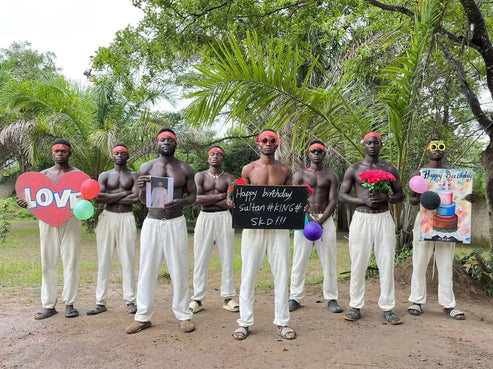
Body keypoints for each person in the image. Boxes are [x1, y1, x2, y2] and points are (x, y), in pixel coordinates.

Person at [126, 128, 196, 334]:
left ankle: (183, 314)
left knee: (179, 269)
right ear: (157, 144)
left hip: (175, 222)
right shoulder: (146, 167)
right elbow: (142, 200)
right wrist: (140, 189)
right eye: (162, 139)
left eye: (170, 140)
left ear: (176, 144)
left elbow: (193, 197)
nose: (166, 142)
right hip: (153, 222)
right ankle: (143, 317)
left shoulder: (185, 168)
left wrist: (181, 202)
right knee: (147, 269)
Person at [232, 129, 296, 340]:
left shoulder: (285, 170)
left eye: (272, 140)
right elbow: (240, 196)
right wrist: (232, 201)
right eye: (264, 140)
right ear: (258, 143)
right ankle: (244, 322)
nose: (268, 143)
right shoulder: (248, 169)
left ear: (277, 144)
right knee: (248, 274)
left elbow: (290, 199)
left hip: (278, 229)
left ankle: (282, 323)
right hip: (253, 228)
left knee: (281, 274)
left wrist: (299, 206)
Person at [339, 132, 404, 324]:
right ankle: (355, 306)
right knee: (358, 263)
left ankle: (388, 307)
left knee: (386, 262)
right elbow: (343, 195)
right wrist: (363, 200)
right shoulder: (354, 169)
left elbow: (400, 195)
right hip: (362, 218)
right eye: (369, 142)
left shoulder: (389, 168)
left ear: (381, 145)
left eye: (376, 142)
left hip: (384, 218)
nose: (373, 145)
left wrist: (387, 198)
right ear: (364, 145)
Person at [407, 140, 476, 320]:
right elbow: (411, 200)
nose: (437, 151)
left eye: (441, 148)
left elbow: (460, 197)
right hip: (425, 222)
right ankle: (416, 300)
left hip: (449, 224)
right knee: (420, 260)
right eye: (433, 147)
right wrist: (423, 198)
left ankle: (448, 304)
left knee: (446, 263)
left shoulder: (454, 175)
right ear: (427, 149)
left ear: (444, 151)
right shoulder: (420, 173)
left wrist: (469, 197)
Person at [16, 139, 82, 319]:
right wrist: (25, 203)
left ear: (70, 153)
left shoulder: (78, 175)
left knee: (71, 261)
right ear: (52, 154)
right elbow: (31, 198)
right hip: (46, 221)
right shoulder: (43, 175)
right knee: (48, 262)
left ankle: (70, 303)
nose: (60, 154)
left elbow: (86, 197)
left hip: (71, 220)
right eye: (57, 151)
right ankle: (48, 305)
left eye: (64, 151)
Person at [289, 140, 342, 313]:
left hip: (324, 220)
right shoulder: (300, 175)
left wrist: (320, 221)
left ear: (324, 154)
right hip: (304, 220)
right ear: (309, 154)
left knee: (329, 259)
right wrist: (308, 218)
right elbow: (295, 199)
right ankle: (295, 297)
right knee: (299, 259)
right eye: (314, 151)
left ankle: (331, 297)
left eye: (320, 151)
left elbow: (333, 200)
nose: (317, 153)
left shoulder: (330, 176)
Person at [87, 144, 139, 316]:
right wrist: (124, 194)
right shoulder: (105, 175)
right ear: (112, 156)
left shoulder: (134, 175)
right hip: (107, 217)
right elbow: (99, 198)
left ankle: (130, 300)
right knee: (104, 261)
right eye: (116, 153)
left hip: (126, 218)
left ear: (127, 156)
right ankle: (100, 301)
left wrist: (113, 197)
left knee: (128, 261)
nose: (119, 155)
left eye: (123, 153)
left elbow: (136, 198)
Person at [189, 146, 239, 314]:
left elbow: (230, 202)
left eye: (219, 154)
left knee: (227, 256)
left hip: (225, 217)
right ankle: (197, 298)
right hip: (205, 217)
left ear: (223, 158)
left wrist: (209, 199)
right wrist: (220, 197)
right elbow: (197, 200)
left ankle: (228, 297)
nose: (216, 157)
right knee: (201, 257)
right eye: (212, 154)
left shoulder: (229, 178)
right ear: (208, 157)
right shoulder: (200, 176)